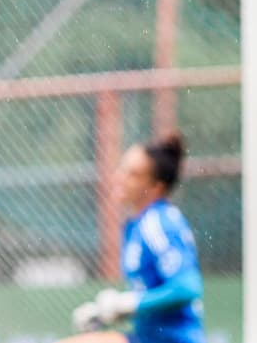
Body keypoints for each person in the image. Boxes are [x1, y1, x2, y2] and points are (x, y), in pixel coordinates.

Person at [63, 132, 205, 343]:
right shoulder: (136, 226)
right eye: (122, 169)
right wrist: (103, 312)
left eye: (133, 174)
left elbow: (188, 287)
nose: (119, 178)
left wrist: (130, 304)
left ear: (156, 187)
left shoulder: (159, 222)